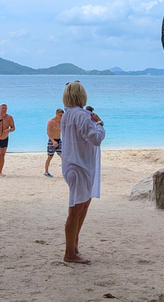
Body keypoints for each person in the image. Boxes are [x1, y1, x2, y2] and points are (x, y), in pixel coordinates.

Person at [61, 81, 105, 264]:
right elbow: (95, 139)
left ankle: (74, 247)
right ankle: (70, 253)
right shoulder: (82, 116)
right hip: (80, 167)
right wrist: (100, 124)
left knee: (82, 207)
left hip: (73, 165)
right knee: (75, 211)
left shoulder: (67, 115)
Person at [44, 109, 64, 177]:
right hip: (52, 141)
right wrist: (53, 141)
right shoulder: (51, 121)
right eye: (60, 115)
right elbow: (48, 133)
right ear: (56, 114)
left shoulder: (61, 122)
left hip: (59, 140)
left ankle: (65, 172)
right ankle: (46, 172)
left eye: (62, 115)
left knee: (63, 156)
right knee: (50, 156)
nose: (61, 117)